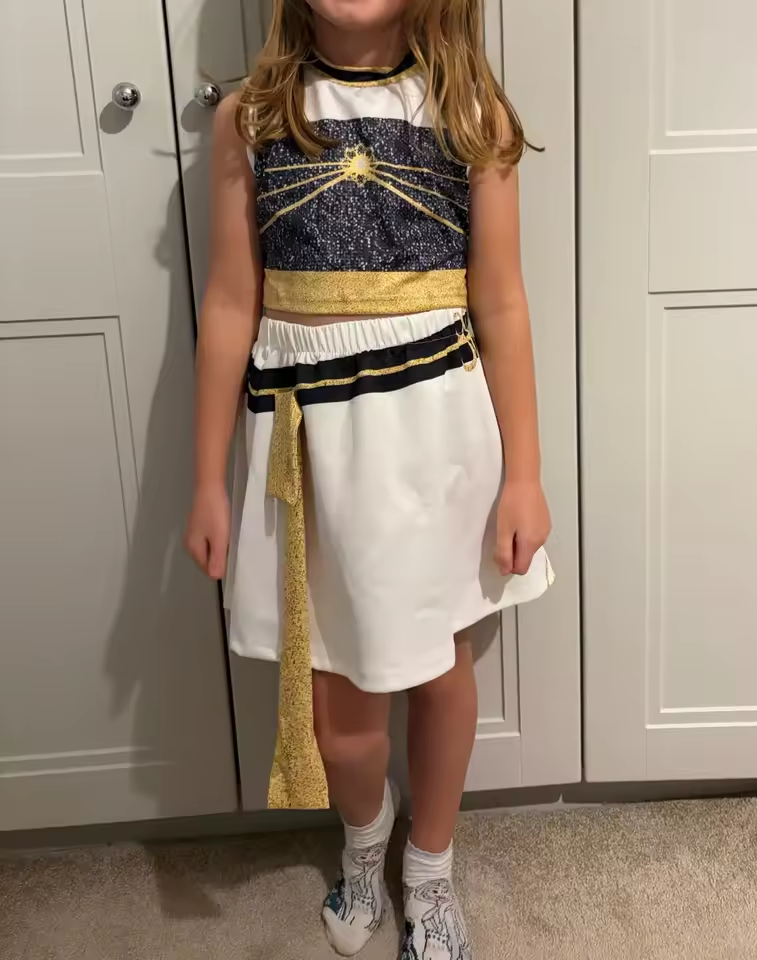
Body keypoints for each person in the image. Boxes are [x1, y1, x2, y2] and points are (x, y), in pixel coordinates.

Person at [184, 1, 552, 956]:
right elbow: (229, 302)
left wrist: (524, 475)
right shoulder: (251, 118)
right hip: (312, 452)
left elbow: (501, 302)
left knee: (440, 670)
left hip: (435, 439)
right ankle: (364, 843)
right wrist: (208, 481)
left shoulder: (470, 112)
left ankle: (428, 870)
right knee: (341, 709)